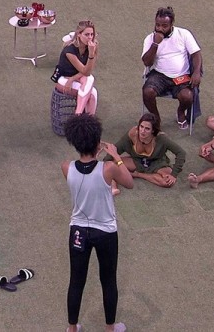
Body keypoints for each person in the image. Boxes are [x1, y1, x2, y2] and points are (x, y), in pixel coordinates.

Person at [62, 114, 133, 332]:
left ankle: (72, 328)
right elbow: (129, 182)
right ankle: (110, 328)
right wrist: (116, 156)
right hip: (105, 233)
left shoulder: (66, 167)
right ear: (97, 142)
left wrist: (93, 154)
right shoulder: (108, 168)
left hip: (78, 231)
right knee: (108, 280)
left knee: (76, 281)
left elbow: (86, 185)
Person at [141, 6, 202, 130]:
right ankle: (156, 118)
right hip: (159, 75)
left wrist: (196, 72)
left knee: (187, 96)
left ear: (171, 24)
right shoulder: (150, 39)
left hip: (181, 75)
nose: (160, 28)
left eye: (164, 26)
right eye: (157, 25)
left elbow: (196, 54)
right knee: (147, 92)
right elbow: (147, 62)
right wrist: (155, 44)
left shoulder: (183, 34)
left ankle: (180, 112)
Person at [106, 113, 185, 192]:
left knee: (167, 182)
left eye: (147, 129)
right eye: (141, 126)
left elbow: (181, 153)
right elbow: (115, 150)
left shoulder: (161, 138)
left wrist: (174, 175)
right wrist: (105, 162)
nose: (142, 131)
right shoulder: (132, 134)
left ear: (153, 130)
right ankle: (114, 188)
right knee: (111, 164)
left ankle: (138, 174)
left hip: (157, 163)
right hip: (137, 161)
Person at [52, 20, 99, 115]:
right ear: (79, 34)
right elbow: (86, 72)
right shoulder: (69, 50)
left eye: (92, 34)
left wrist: (72, 79)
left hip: (76, 77)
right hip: (63, 79)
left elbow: (88, 71)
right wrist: (91, 54)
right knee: (92, 92)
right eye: (87, 34)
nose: (90, 37)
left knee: (90, 80)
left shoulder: (92, 47)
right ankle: (80, 118)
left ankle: (80, 118)